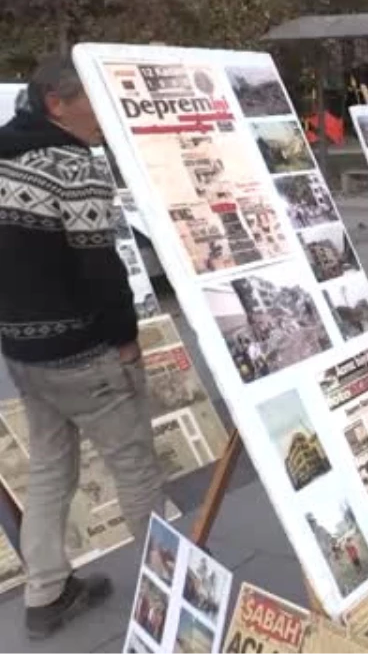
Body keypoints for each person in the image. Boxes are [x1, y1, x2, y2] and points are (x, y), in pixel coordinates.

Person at [0, 56, 165, 639]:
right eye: (93, 100)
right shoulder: (73, 163)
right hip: (84, 352)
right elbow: (100, 265)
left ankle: (45, 591)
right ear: (57, 103)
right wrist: (124, 338)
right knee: (135, 466)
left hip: (23, 352)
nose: (103, 114)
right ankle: (170, 594)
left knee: (49, 467)